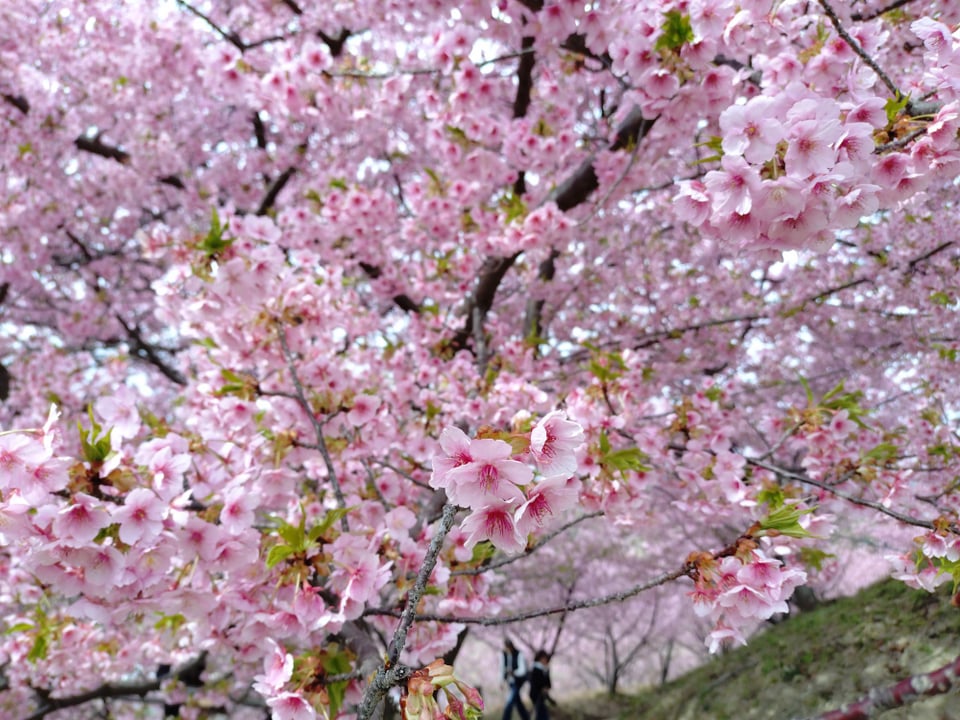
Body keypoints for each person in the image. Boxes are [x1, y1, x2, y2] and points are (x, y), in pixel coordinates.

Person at [500, 639, 530, 720]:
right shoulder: (504, 655)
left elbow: (522, 670)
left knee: (510, 701)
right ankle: (526, 717)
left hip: (518, 681)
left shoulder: (519, 654)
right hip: (510, 681)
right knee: (517, 701)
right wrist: (501, 681)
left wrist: (514, 672)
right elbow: (502, 669)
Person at [528, 650, 553, 720]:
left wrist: (547, 687)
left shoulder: (545, 669)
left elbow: (548, 682)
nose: (545, 660)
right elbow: (535, 682)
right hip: (536, 694)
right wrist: (542, 687)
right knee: (542, 714)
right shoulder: (535, 669)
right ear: (540, 658)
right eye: (544, 658)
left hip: (541, 695)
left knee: (541, 713)